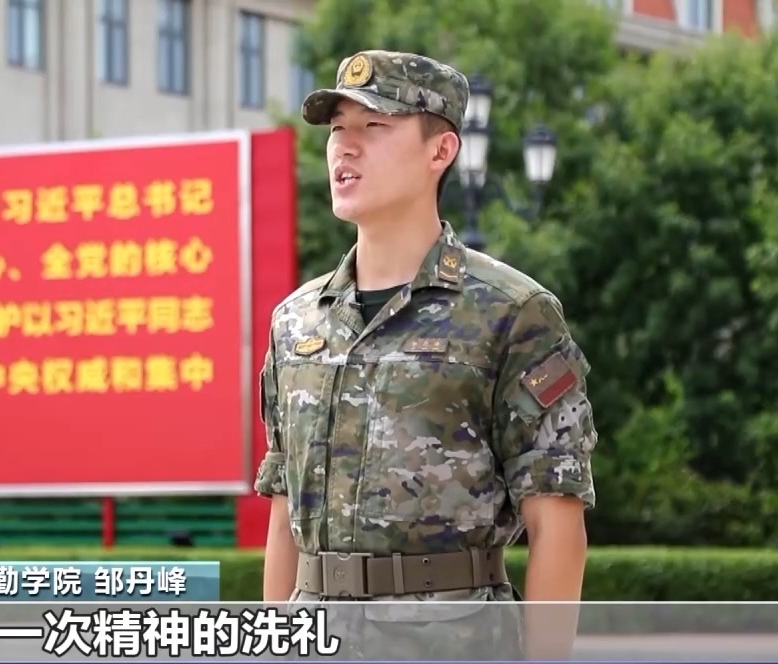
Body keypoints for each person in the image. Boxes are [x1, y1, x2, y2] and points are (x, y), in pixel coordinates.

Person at [254, 50, 598, 661]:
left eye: (373, 127)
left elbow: (557, 523)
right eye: (337, 129)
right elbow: (285, 514)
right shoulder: (297, 321)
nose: (344, 148)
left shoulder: (511, 312)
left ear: (441, 151)